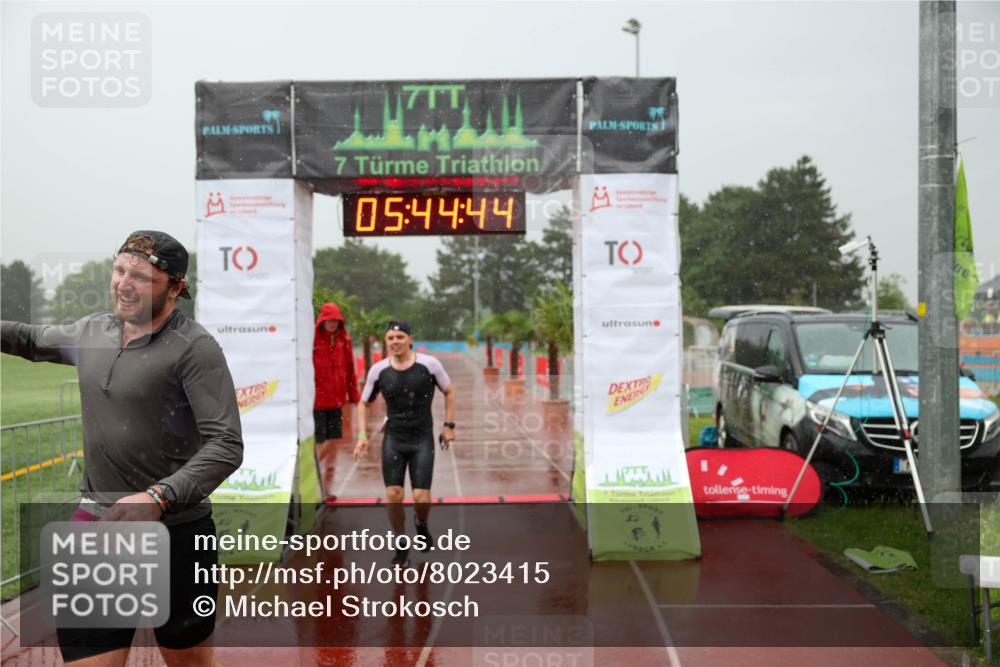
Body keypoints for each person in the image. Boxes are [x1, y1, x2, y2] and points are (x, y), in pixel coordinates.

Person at [1, 230, 243, 667]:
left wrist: (158, 497)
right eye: (119, 270)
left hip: (178, 534)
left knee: (188, 660)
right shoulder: (93, 330)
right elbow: (29, 339)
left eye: (142, 278)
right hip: (98, 524)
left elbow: (226, 444)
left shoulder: (194, 348)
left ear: (175, 288)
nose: (124, 284)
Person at [353, 320, 455, 565]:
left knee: (421, 497)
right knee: (394, 494)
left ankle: (421, 523)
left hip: (422, 438)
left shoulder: (429, 366)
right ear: (386, 342)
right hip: (394, 439)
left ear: (410, 339)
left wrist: (449, 426)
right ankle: (400, 543)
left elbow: (450, 392)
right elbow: (363, 403)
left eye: (400, 337)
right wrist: (362, 437)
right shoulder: (378, 371)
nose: (395, 342)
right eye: (390, 338)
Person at [313, 302, 360, 447]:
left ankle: (329, 470)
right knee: (318, 442)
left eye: (336, 321)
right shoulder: (311, 339)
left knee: (333, 442)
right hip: (317, 403)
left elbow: (350, 368)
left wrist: (354, 395)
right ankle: (318, 469)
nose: (333, 324)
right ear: (322, 320)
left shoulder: (344, 340)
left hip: (336, 401)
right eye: (330, 320)